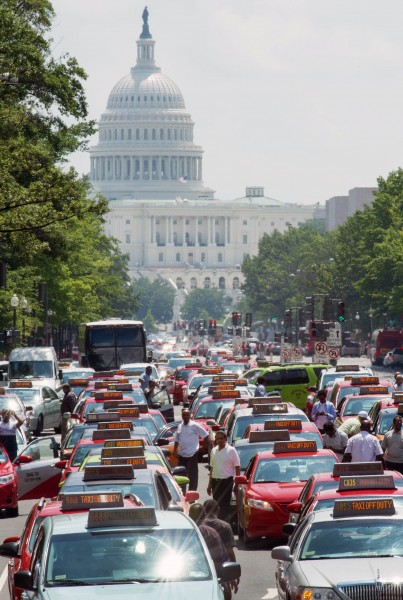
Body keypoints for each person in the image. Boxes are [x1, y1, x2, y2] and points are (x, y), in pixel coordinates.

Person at [189, 503, 233, 600]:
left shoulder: (182, 532)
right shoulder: (211, 533)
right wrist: (230, 577)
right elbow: (223, 557)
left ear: (189, 515)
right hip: (211, 578)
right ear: (204, 515)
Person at [208, 430, 240, 521]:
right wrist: (209, 485)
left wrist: (237, 483)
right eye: (217, 439)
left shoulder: (232, 450)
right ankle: (219, 523)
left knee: (225, 505)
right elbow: (212, 469)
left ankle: (224, 525)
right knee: (216, 504)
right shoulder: (213, 451)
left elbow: (237, 467)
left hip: (227, 482)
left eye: (221, 438)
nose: (219, 440)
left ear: (225, 439)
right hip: (215, 482)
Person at [173, 408, 208, 490]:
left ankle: (192, 491)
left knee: (192, 475)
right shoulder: (180, 426)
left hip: (192, 454)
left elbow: (205, 435)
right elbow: (176, 439)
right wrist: (175, 450)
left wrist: (204, 447)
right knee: (181, 475)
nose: (185, 416)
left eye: (187, 415)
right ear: (181, 416)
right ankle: (182, 492)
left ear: (190, 416)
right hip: (182, 454)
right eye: (184, 415)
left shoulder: (194, 425)